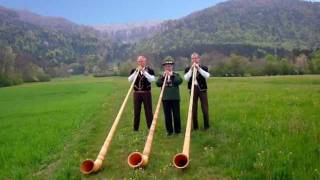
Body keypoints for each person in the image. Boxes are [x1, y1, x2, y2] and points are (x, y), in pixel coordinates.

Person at [156, 56, 183, 136]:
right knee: (167, 115)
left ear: (172, 66)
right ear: (164, 67)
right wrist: (163, 77)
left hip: (175, 98)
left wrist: (171, 75)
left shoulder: (176, 74)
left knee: (176, 115)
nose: (168, 67)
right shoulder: (161, 76)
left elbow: (179, 81)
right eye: (166, 66)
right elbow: (158, 84)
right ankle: (169, 131)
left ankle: (177, 131)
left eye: (170, 66)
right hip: (165, 98)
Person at [128, 55, 155, 131]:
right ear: (137, 62)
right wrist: (136, 72)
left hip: (146, 93)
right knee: (136, 111)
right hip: (137, 93)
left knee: (148, 111)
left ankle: (151, 128)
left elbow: (152, 79)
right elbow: (129, 80)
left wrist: (144, 72)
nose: (140, 62)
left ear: (145, 61)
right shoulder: (134, 70)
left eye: (142, 61)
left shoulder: (150, 70)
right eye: (139, 61)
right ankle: (135, 128)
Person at [184, 52, 210, 130]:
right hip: (192, 89)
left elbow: (207, 75)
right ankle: (195, 127)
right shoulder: (188, 69)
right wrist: (191, 70)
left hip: (202, 89)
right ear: (191, 60)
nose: (194, 60)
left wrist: (199, 68)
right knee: (193, 109)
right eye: (193, 58)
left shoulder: (204, 67)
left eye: (196, 58)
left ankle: (206, 126)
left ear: (199, 59)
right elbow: (186, 78)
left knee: (205, 108)